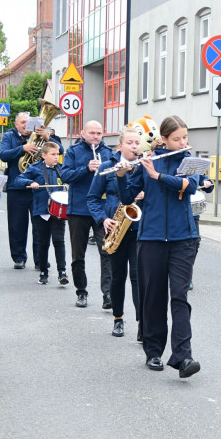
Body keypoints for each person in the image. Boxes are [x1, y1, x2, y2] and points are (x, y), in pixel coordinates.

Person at [118, 115, 201, 377]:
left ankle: (183, 356)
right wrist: (122, 175)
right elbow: (127, 197)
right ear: (163, 139)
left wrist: (159, 176)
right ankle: (153, 352)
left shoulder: (188, 162)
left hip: (183, 239)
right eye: (177, 139)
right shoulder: (147, 161)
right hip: (151, 239)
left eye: (185, 137)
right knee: (153, 297)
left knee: (179, 295)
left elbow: (191, 187)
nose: (183, 142)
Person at [88, 127, 143, 338]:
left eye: (137, 143)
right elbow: (92, 198)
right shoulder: (106, 166)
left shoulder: (144, 167)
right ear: (120, 146)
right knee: (117, 277)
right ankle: (118, 319)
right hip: (116, 228)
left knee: (138, 278)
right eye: (130, 143)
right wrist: (104, 218)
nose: (134, 146)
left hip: (138, 229)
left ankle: (141, 323)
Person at [61, 119, 114, 309]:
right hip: (79, 209)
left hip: (102, 211)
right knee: (78, 255)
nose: (95, 137)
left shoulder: (109, 153)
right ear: (83, 133)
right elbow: (65, 176)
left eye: (99, 133)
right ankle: (81, 291)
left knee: (106, 251)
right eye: (92, 133)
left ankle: (107, 293)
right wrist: (86, 169)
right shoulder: (74, 152)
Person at [11, 142, 69, 286]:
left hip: (58, 211)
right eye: (53, 154)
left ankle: (62, 272)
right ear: (43, 155)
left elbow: (71, 181)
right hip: (41, 210)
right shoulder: (35, 168)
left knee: (59, 241)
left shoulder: (61, 170)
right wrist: (31, 182)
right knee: (43, 243)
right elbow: (18, 180)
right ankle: (43, 272)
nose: (56, 157)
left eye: (58, 155)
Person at [0, 112, 38, 269]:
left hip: (36, 186)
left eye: (28, 122)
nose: (25, 125)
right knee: (16, 225)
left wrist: (47, 138)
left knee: (39, 226)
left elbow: (58, 150)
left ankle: (40, 259)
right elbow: (3, 155)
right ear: (16, 124)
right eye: (23, 122)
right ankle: (19, 258)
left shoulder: (38, 136)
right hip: (16, 186)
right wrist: (23, 148)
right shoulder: (9, 136)